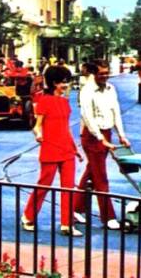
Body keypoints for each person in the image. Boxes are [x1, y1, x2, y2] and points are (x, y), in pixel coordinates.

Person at [21, 65, 84, 237]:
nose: (65, 85)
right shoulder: (44, 101)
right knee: (44, 185)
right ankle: (28, 216)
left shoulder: (64, 102)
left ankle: (66, 224)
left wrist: (74, 148)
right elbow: (37, 126)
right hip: (50, 147)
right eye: (62, 82)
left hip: (66, 149)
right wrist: (39, 135)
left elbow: (66, 128)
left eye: (67, 82)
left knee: (69, 187)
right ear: (54, 83)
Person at [74, 59, 130, 231]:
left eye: (107, 73)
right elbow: (88, 117)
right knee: (101, 176)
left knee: (92, 170)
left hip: (106, 133)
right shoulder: (86, 91)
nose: (105, 76)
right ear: (93, 73)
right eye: (101, 73)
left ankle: (75, 208)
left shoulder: (111, 89)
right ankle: (108, 216)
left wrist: (121, 135)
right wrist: (100, 139)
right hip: (92, 136)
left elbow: (116, 112)